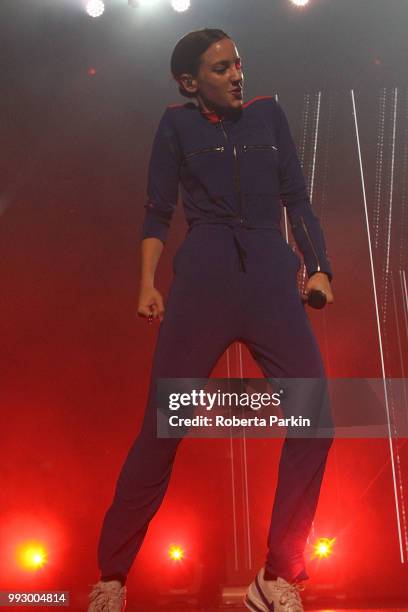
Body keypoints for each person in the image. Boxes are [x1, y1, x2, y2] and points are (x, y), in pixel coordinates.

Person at [87, 28, 335, 612]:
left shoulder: (268, 117)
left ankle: (276, 575)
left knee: (315, 418)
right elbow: (156, 210)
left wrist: (319, 267)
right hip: (203, 280)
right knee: (161, 426)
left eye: (239, 63)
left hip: (272, 280)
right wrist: (147, 284)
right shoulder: (176, 125)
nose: (236, 74)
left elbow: (296, 198)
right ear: (190, 81)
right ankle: (112, 579)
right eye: (222, 68)